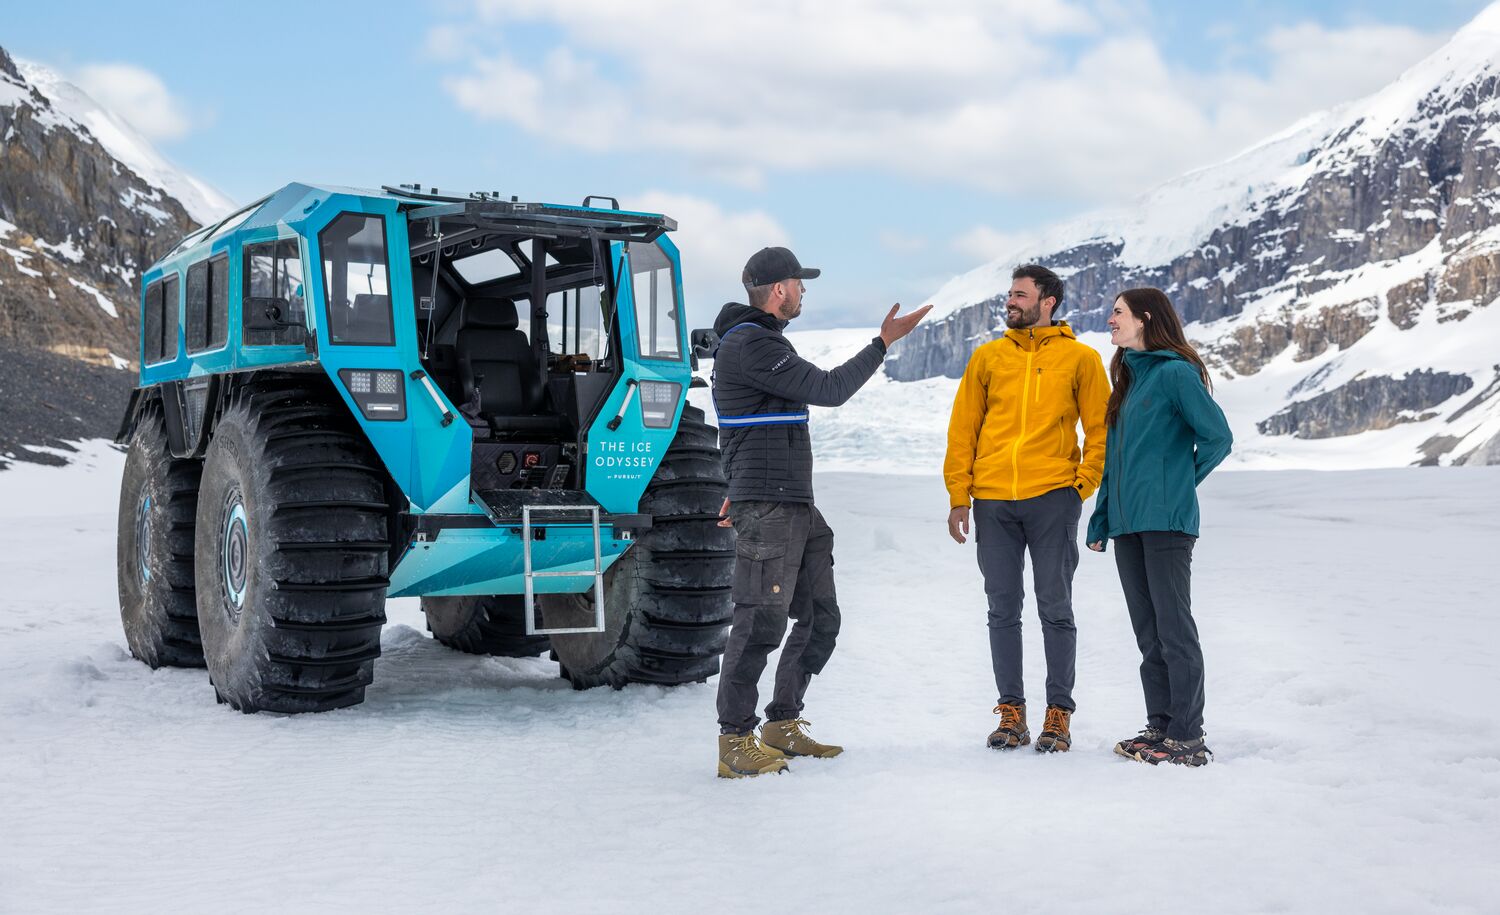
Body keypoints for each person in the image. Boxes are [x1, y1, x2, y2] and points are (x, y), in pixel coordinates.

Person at [712, 246, 931, 779]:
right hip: (769, 507)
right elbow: (830, 390)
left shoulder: (763, 345)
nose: (805, 291)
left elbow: (743, 426)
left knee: (820, 617)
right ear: (778, 289)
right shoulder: (752, 345)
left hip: (792, 503)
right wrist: (882, 343)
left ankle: (782, 722)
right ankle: (734, 741)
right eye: (799, 283)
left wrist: (734, 483)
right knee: (759, 621)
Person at [944, 264, 1109, 753]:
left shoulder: (1081, 359)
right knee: (1002, 609)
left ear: (1048, 301)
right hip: (993, 499)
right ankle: (1011, 712)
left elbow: (1100, 429)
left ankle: (1058, 714)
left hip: (1051, 498)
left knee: (1055, 608)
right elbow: (963, 430)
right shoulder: (988, 358)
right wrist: (959, 495)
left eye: (1020, 294)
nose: (1010, 302)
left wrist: (1080, 485)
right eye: (1010, 294)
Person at [1086, 287, 1232, 767]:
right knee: (1149, 635)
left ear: (1145, 318)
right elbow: (1116, 465)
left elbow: (1217, 438)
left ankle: (1188, 737)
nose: (1110, 320)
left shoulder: (1174, 373)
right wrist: (1103, 517)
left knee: (1174, 630)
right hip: (1129, 526)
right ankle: (1162, 725)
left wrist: (1177, 484)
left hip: (1166, 524)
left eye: (1118, 312)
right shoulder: (1130, 381)